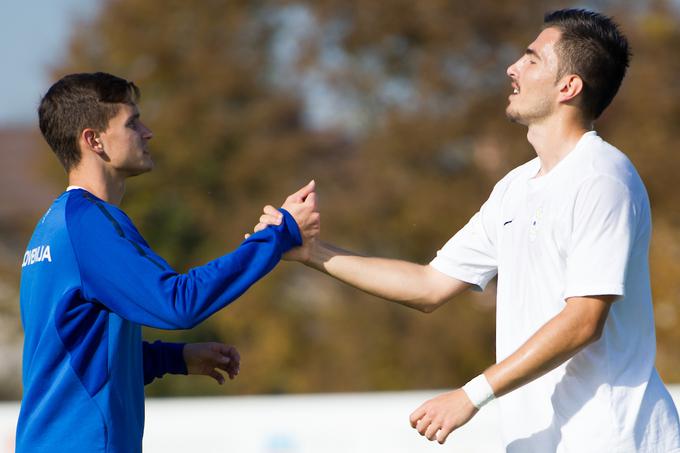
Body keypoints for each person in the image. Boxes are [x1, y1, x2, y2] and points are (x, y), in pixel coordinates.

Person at [254, 8, 680, 452]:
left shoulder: (602, 177)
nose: (512, 68)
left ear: (568, 87)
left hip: (612, 441)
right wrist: (314, 253)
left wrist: (471, 396)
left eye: (532, 59)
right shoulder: (514, 188)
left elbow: (584, 320)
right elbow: (429, 286)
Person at [17, 72, 319, 453]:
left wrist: (174, 358)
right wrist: (281, 234)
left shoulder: (55, 225)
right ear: (94, 140)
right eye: (132, 123)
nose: (147, 132)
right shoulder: (87, 224)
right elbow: (179, 303)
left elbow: (79, 361)